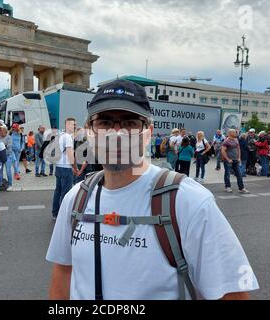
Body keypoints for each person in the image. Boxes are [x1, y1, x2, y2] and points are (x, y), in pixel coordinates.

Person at [46, 79, 258, 300]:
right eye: (105, 122)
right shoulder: (75, 198)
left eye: (130, 123)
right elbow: (63, 272)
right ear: (89, 131)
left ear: (148, 131)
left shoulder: (190, 201)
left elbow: (231, 293)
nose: (117, 134)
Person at [51, 118, 77, 220]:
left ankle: (55, 213)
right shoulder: (68, 137)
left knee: (58, 190)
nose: (74, 127)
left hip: (58, 166)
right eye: (73, 125)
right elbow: (71, 156)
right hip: (66, 167)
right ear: (68, 125)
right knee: (66, 193)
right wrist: (75, 167)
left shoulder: (60, 135)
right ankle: (63, 216)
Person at [221, 129, 249, 194]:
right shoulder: (226, 141)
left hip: (236, 160)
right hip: (228, 161)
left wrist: (239, 157)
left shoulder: (236, 139)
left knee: (239, 174)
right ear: (230, 133)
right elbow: (223, 151)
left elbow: (238, 149)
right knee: (227, 174)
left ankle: (241, 188)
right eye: (234, 132)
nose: (236, 133)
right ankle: (227, 187)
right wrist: (228, 159)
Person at [0, 126, 14, 192]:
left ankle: (10, 185)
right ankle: (1, 184)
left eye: (1, 131)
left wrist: (2, 146)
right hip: (0, 156)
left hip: (8, 156)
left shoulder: (9, 137)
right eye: (0, 131)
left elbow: (9, 147)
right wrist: (4, 146)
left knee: (8, 171)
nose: (0, 132)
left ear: (5, 131)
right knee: (0, 171)